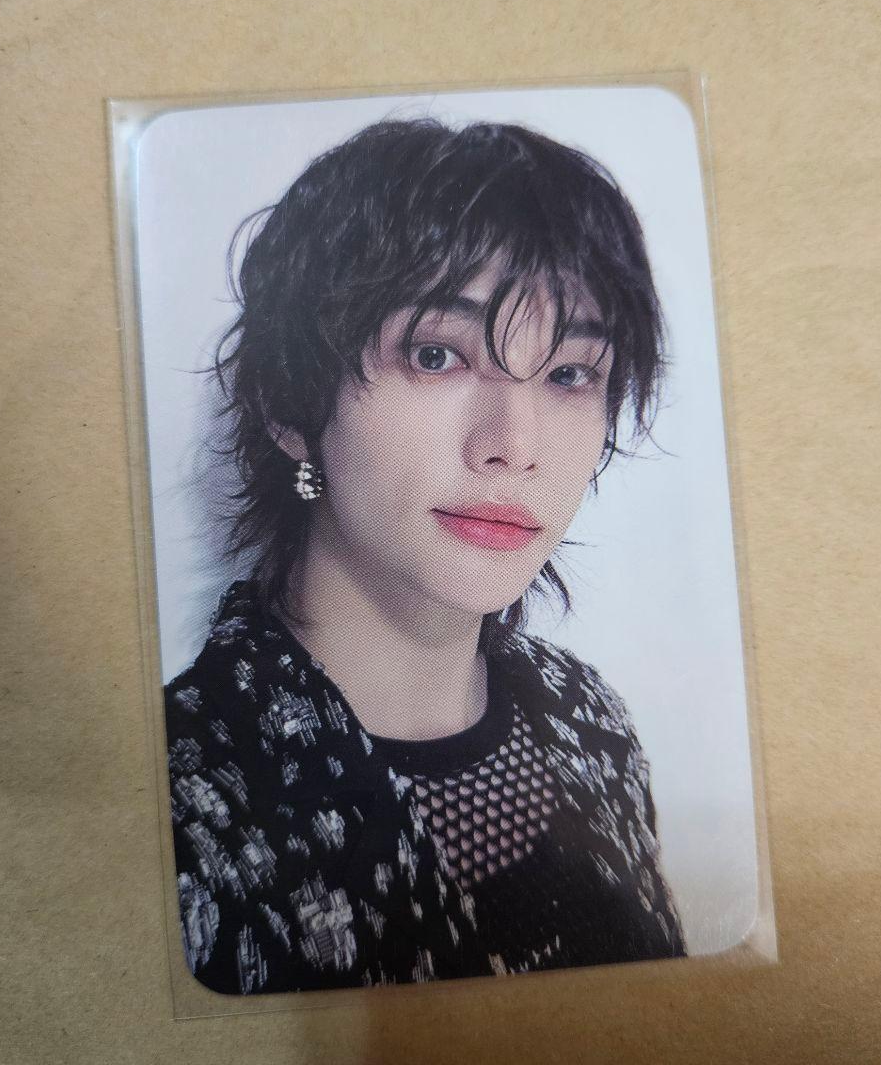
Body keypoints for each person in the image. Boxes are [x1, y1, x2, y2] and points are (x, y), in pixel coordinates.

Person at [165, 116, 687, 995]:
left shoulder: (590, 721)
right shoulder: (177, 795)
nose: (513, 445)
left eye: (569, 374)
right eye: (437, 355)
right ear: (291, 402)